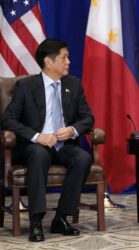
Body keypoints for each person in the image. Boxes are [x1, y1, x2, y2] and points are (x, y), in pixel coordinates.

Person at [1, 39, 94, 242]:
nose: (69, 61)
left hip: (64, 145)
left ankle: (61, 218)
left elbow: (87, 118)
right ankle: (36, 220)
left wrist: (72, 130)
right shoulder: (26, 86)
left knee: (83, 158)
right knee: (38, 153)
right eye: (64, 57)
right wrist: (37, 137)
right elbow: (7, 119)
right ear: (48, 62)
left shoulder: (73, 84)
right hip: (33, 146)